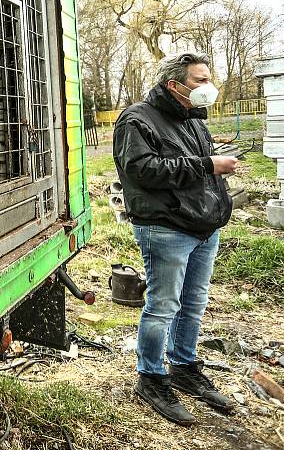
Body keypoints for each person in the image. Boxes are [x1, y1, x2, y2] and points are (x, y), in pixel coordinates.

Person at [113, 52, 238, 426]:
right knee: (163, 306)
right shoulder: (137, 119)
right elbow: (141, 170)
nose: (208, 87)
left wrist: (215, 167)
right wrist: (207, 165)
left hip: (203, 226)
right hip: (166, 228)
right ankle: (151, 377)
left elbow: (198, 164)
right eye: (200, 80)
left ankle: (184, 365)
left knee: (193, 302)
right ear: (175, 85)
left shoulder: (193, 118)